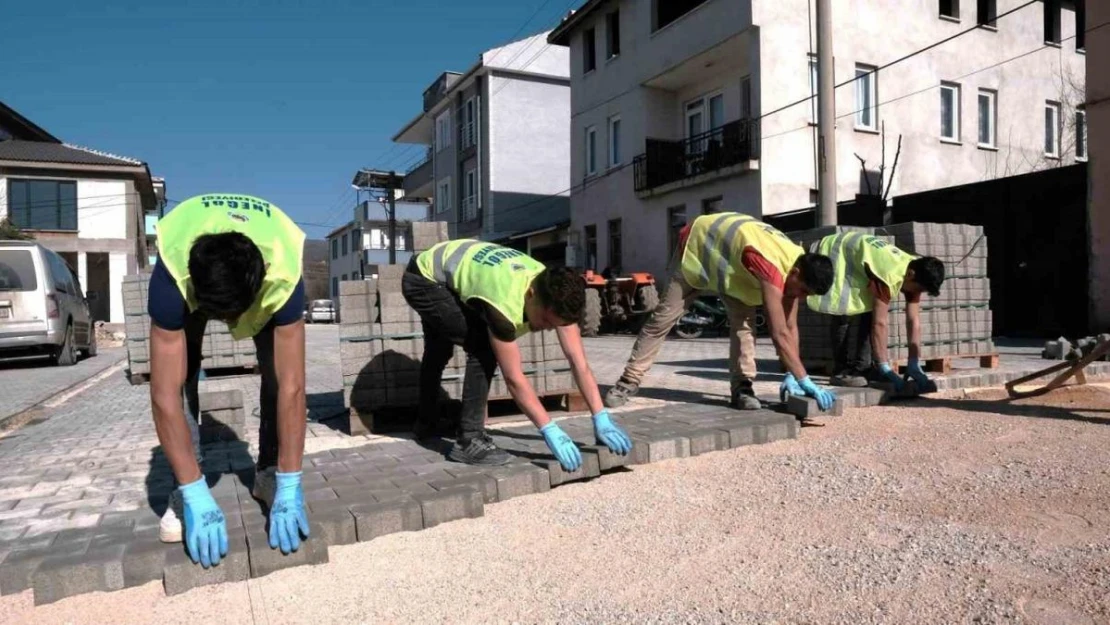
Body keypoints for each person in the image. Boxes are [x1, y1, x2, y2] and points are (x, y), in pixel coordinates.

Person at [148, 193, 309, 569]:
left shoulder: (284, 272)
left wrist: (291, 480)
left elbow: (294, 386)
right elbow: (163, 394)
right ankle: (186, 488)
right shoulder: (172, 275)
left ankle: (269, 474)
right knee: (182, 375)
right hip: (191, 274)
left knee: (276, 371)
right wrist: (194, 491)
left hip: (264, 270)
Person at [402, 240, 633, 468]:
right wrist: (548, 428)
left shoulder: (555, 291)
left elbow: (579, 363)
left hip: (447, 270)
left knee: (439, 350)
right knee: (483, 347)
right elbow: (514, 378)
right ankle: (469, 441)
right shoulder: (503, 305)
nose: (548, 328)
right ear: (531, 294)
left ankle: (426, 423)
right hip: (424, 280)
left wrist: (600, 417)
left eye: (555, 325)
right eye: (545, 320)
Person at [605, 212, 838, 412]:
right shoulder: (772, 266)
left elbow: (790, 326)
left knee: (745, 326)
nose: (802, 297)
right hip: (697, 250)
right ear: (796, 272)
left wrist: (791, 373)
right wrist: (804, 378)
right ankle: (628, 381)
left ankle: (742, 388)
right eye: (804, 291)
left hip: (731, 269)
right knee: (662, 320)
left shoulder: (794, 266)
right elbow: (779, 334)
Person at [807, 231, 946, 390]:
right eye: (919, 289)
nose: (918, 293)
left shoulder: (915, 270)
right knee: (843, 309)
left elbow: (913, 320)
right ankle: (842, 370)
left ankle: (862, 368)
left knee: (869, 310)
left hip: (858, 255)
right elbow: (880, 323)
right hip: (837, 253)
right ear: (910, 274)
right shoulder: (888, 274)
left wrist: (913, 362)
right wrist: (884, 366)